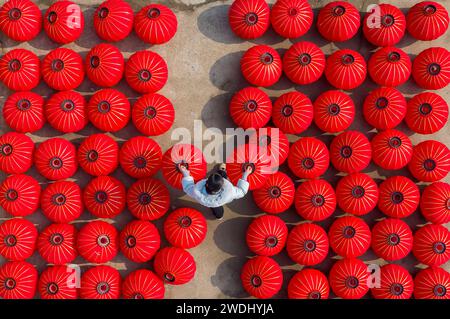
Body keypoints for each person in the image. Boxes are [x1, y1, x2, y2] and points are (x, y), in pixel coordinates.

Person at [179, 163, 252, 219]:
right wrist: (245, 174)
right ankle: (222, 171)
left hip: (212, 203)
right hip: (223, 199)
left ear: (206, 184)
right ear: (222, 186)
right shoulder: (230, 192)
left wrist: (185, 173)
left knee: (217, 209)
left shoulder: (197, 192)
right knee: (222, 175)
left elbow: (188, 187)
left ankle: (219, 216)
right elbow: (242, 191)